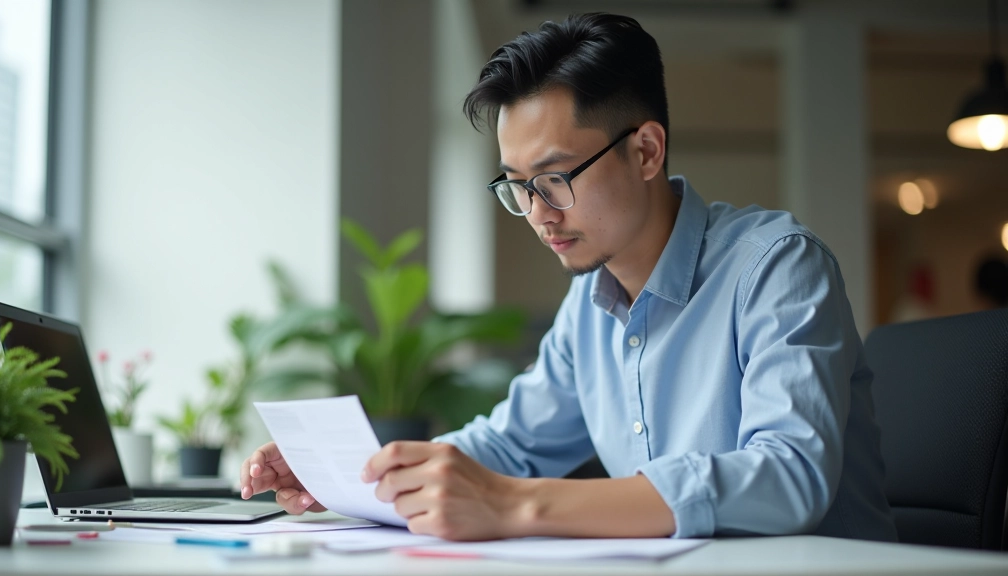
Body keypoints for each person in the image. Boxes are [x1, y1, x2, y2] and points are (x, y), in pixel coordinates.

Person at [239, 13, 898, 542]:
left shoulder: (776, 265)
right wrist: (355, 475)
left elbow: (788, 477)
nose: (537, 214)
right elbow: (510, 446)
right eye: (517, 186)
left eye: (554, 179)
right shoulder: (589, 300)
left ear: (645, 151)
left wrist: (516, 506)